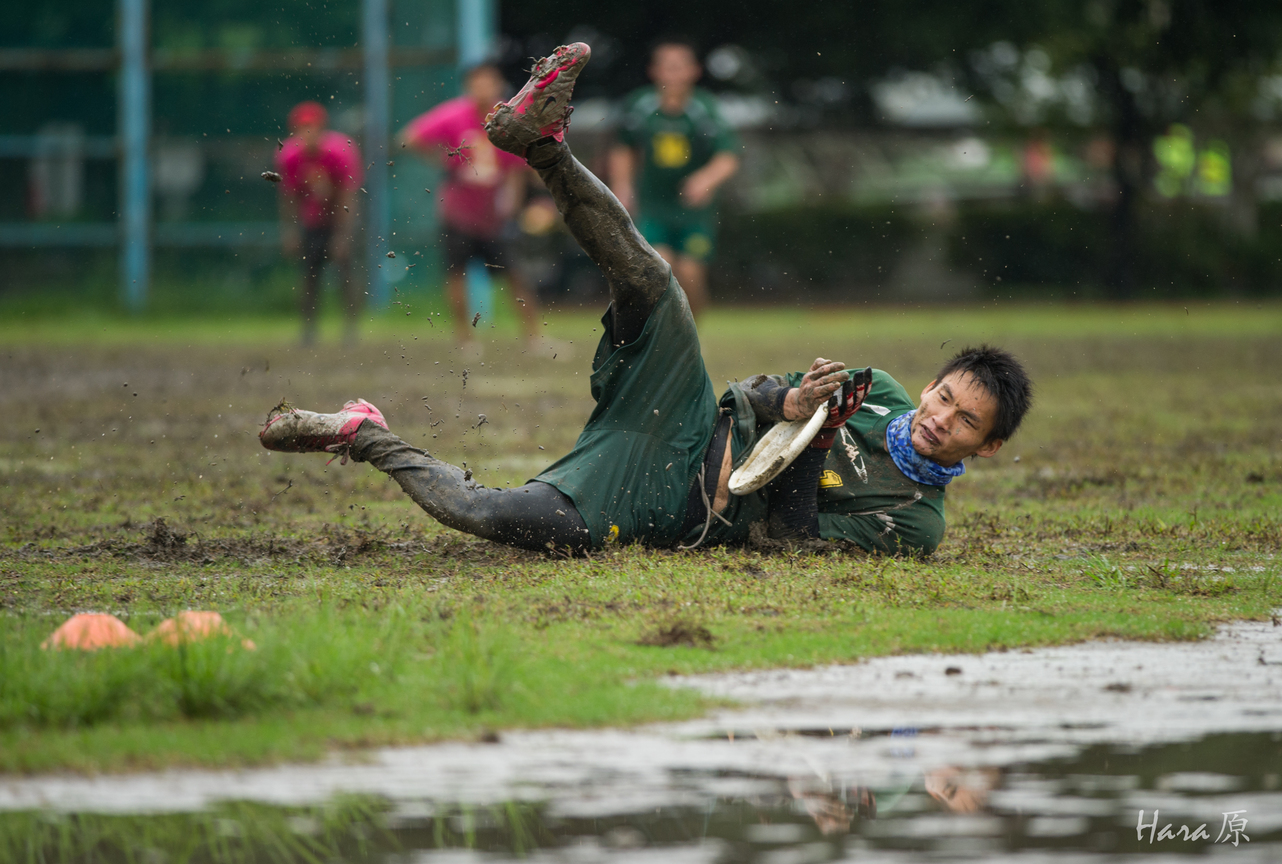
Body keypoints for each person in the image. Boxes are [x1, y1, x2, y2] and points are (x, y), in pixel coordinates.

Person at [258, 42, 1033, 557]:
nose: (939, 419)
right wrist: (791, 399)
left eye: (966, 422)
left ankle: (361, 434)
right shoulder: (885, 392)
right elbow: (760, 401)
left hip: (677, 503)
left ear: (987, 448)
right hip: (689, 411)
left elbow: (788, 543)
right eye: (946, 397)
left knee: (496, 519)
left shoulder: (917, 525)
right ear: (931, 385)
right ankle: (542, 144)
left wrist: (816, 438)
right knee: (653, 282)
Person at [399, 64, 542, 347]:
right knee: (456, 273)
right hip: (458, 212)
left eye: (489, 83)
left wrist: (513, 203)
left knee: (514, 274)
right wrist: (446, 160)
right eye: (477, 83)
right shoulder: (453, 115)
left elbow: (518, 167)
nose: (483, 89)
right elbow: (410, 137)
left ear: (499, 86)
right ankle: (464, 338)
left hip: (493, 214)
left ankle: (534, 337)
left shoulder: (508, 120)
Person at [608, 39, 740, 315]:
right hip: (652, 206)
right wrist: (622, 186)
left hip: (693, 211)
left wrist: (705, 179)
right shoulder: (640, 106)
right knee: (661, 269)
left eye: (680, 68)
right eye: (668, 68)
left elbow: (728, 156)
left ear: (694, 71)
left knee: (690, 273)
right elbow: (622, 149)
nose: (674, 75)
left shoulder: (704, 109)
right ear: (654, 71)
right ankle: (662, 339)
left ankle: (693, 336)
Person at [274, 101, 362, 346]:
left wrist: (343, 236)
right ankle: (309, 328)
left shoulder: (340, 151)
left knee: (345, 271)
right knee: (310, 273)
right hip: (312, 218)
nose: (308, 134)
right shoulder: (290, 156)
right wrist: (290, 231)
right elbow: (288, 196)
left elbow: (348, 195)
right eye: (302, 129)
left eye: (312, 128)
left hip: (340, 216)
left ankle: (351, 327)